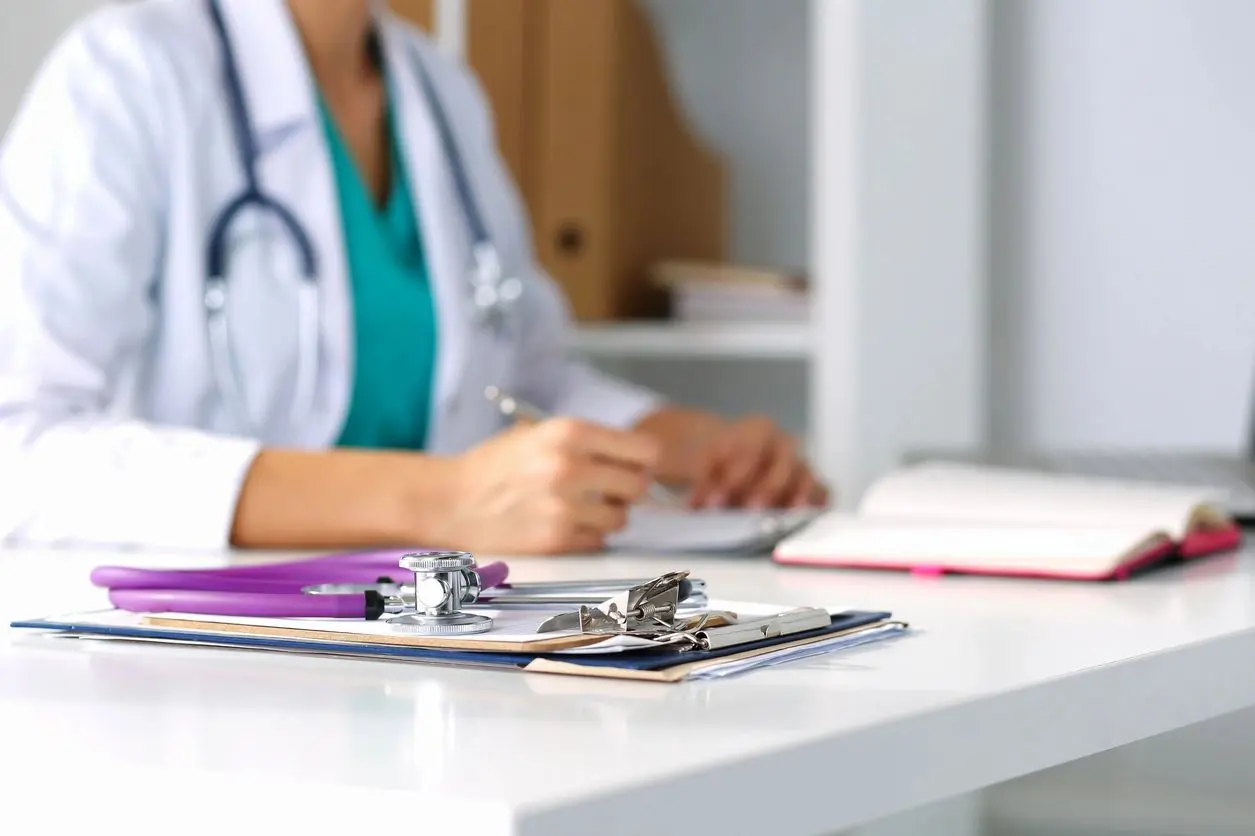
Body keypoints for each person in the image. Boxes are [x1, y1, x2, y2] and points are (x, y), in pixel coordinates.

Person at [0, 0, 828, 555]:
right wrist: (437, 500)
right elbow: (19, 448)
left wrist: (686, 448)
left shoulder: (435, 91)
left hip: (419, 641)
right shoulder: (127, 74)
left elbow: (522, 377)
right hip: (188, 666)